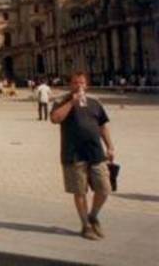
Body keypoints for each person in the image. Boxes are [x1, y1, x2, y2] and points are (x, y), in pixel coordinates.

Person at [50, 72, 115, 241]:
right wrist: (72, 101)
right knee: (79, 192)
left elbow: (103, 125)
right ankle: (85, 225)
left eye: (82, 83)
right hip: (73, 154)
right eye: (75, 83)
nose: (79, 86)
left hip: (96, 152)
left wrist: (110, 146)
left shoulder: (95, 102)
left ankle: (93, 215)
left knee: (104, 188)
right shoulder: (61, 101)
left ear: (86, 85)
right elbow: (55, 119)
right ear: (70, 84)